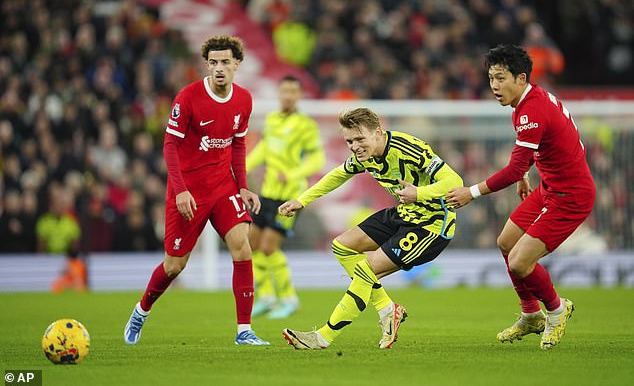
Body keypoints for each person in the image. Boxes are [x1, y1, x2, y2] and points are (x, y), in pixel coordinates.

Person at [445, 44, 595, 350]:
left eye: (501, 78)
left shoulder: (532, 111)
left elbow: (512, 168)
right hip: (549, 188)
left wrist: (471, 193)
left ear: (521, 77)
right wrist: (527, 173)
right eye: (491, 79)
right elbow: (534, 151)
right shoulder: (528, 103)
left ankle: (556, 310)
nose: (494, 86)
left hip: (571, 196)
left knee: (519, 262)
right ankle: (530, 315)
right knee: (506, 242)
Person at [124, 35, 269, 346]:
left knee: (242, 246)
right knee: (175, 265)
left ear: (236, 64)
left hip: (223, 186)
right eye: (213, 62)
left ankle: (244, 330)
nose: (219, 68)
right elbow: (170, 145)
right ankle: (142, 310)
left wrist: (243, 187)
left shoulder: (244, 99)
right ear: (207, 64)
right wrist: (179, 190)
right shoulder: (187, 98)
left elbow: (239, 144)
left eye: (225, 62)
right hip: (188, 190)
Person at [279, 107, 463, 349]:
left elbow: (455, 181)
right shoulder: (364, 156)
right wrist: (302, 200)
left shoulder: (408, 149)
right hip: (403, 215)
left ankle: (322, 338)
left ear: (378, 132)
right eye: (349, 141)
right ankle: (388, 310)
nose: (355, 146)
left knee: (366, 272)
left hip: (430, 226)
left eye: (359, 139)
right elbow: (338, 175)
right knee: (342, 246)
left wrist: (418, 193)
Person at [246, 75, 325, 319]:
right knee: (252, 245)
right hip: (266, 193)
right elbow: (264, 149)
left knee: (269, 247)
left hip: (290, 197)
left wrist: (292, 174)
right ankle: (268, 297)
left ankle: (289, 299)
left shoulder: (306, 125)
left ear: (299, 96)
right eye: (284, 91)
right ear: (279, 94)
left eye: (293, 91)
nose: (288, 95)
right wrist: (242, 169)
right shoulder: (271, 120)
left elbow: (317, 159)